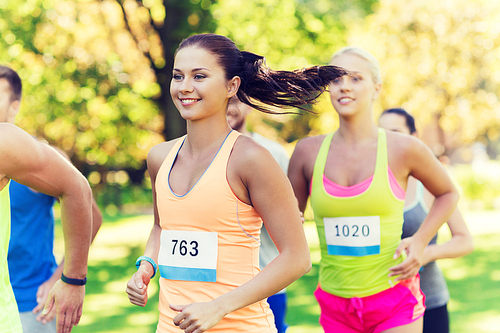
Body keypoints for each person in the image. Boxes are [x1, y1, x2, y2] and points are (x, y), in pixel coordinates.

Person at [125, 33, 347, 333]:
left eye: (199, 76)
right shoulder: (159, 156)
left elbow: (297, 258)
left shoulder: (252, 159)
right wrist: (146, 266)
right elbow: (161, 226)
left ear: (232, 86)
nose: (185, 87)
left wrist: (219, 307)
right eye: (178, 76)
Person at [287, 46, 460, 333]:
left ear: (376, 88)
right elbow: (288, 219)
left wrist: (420, 241)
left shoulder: (403, 148)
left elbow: (448, 193)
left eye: (356, 79)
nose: (344, 87)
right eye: (336, 79)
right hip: (334, 302)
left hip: (394, 299)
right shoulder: (307, 152)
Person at [0, 65, 103, 333]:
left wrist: (66, 278)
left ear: (14, 107)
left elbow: (87, 206)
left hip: (30, 302)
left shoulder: (38, 157)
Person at [378, 108, 473, 333]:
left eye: (395, 132)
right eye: (381, 134)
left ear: (414, 137)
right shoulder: (365, 183)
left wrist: (424, 252)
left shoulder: (429, 186)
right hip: (377, 303)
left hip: (429, 301)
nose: (388, 140)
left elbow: (464, 240)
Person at [227, 96, 290, 333]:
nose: (228, 106)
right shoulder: (192, 155)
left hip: (266, 281)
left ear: (250, 105)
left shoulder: (274, 154)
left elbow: (290, 217)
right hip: (212, 284)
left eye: (235, 99)